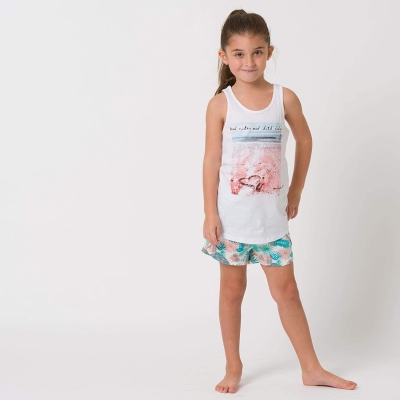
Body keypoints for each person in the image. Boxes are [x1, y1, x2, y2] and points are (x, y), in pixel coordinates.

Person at [200, 9, 357, 394]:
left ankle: (311, 368)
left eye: (257, 52)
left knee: (287, 292)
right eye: (239, 54)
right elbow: (211, 160)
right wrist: (209, 213)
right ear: (224, 56)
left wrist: (297, 189)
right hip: (232, 221)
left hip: (271, 222)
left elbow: (305, 140)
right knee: (231, 293)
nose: (248, 62)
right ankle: (233, 366)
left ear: (269, 52)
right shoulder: (221, 104)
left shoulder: (283, 98)